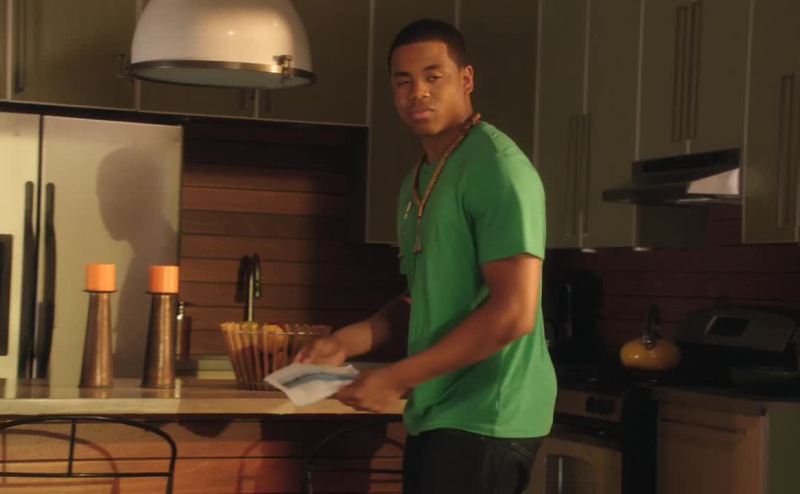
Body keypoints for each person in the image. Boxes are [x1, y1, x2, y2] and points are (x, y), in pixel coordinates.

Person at [294, 19, 556, 494]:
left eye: (433, 77)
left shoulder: (497, 169)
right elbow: (425, 297)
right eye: (403, 81)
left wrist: (395, 378)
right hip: (440, 411)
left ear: (466, 79)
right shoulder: (419, 180)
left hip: (489, 415)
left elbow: (514, 313)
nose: (418, 92)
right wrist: (347, 342)